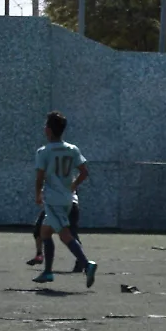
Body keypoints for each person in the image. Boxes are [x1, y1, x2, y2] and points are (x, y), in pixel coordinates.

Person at [32, 110, 96, 287]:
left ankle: (86, 264)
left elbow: (40, 177)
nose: (44, 128)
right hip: (68, 198)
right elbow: (84, 172)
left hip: (53, 200)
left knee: (65, 236)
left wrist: (38, 194)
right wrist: (73, 185)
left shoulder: (43, 151)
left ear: (49, 130)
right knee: (45, 232)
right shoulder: (72, 149)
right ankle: (47, 272)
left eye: (46, 126)